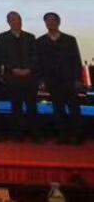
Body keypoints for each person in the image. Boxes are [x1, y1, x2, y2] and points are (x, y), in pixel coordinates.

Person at [36, 12, 83, 144]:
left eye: (53, 20)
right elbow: (39, 63)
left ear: (59, 22)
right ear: (45, 23)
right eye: (48, 20)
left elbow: (76, 60)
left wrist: (78, 79)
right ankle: (63, 136)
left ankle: (77, 135)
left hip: (69, 80)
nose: (50, 22)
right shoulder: (40, 41)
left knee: (74, 109)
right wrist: (41, 80)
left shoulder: (69, 40)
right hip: (52, 81)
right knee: (58, 109)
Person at [0, 11, 39, 141]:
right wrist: (13, 69)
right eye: (12, 20)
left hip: (29, 77)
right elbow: (1, 57)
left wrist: (29, 69)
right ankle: (18, 134)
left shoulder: (30, 37)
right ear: (8, 22)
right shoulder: (2, 37)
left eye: (18, 19)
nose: (16, 22)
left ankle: (35, 134)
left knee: (32, 106)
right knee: (16, 106)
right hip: (12, 77)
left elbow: (35, 56)